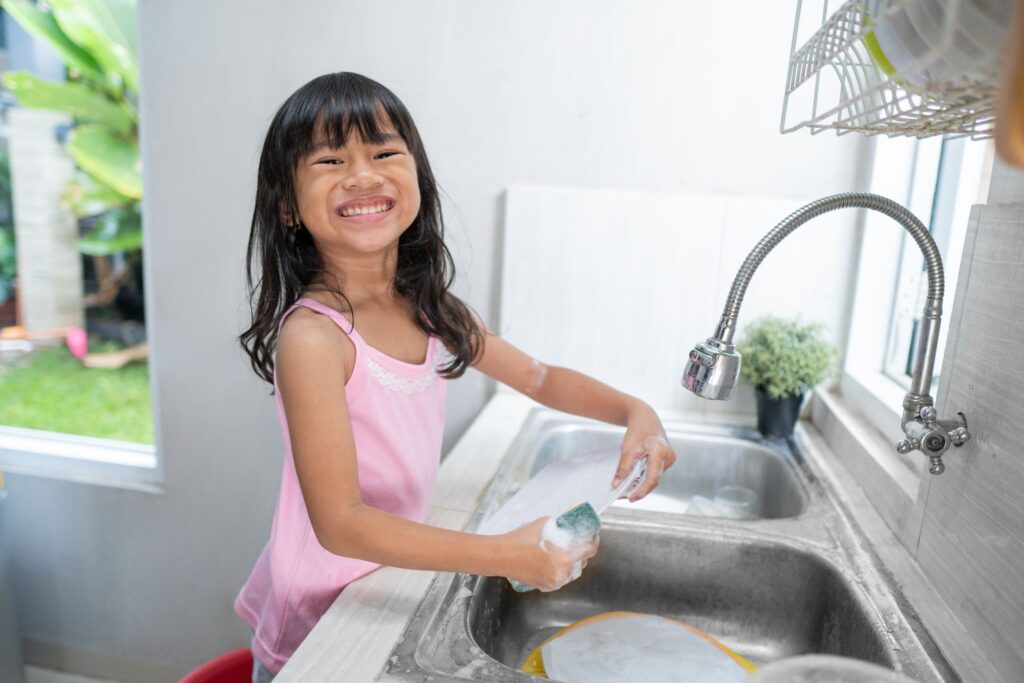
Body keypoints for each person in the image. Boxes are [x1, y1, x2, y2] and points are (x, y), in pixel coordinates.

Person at [233, 72, 677, 681]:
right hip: (322, 608)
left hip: (388, 575)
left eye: (384, 152)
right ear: (287, 205)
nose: (363, 174)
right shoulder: (314, 339)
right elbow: (341, 523)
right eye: (330, 160)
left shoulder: (426, 305)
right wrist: (504, 555)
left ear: (417, 177)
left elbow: (540, 378)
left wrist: (636, 412)